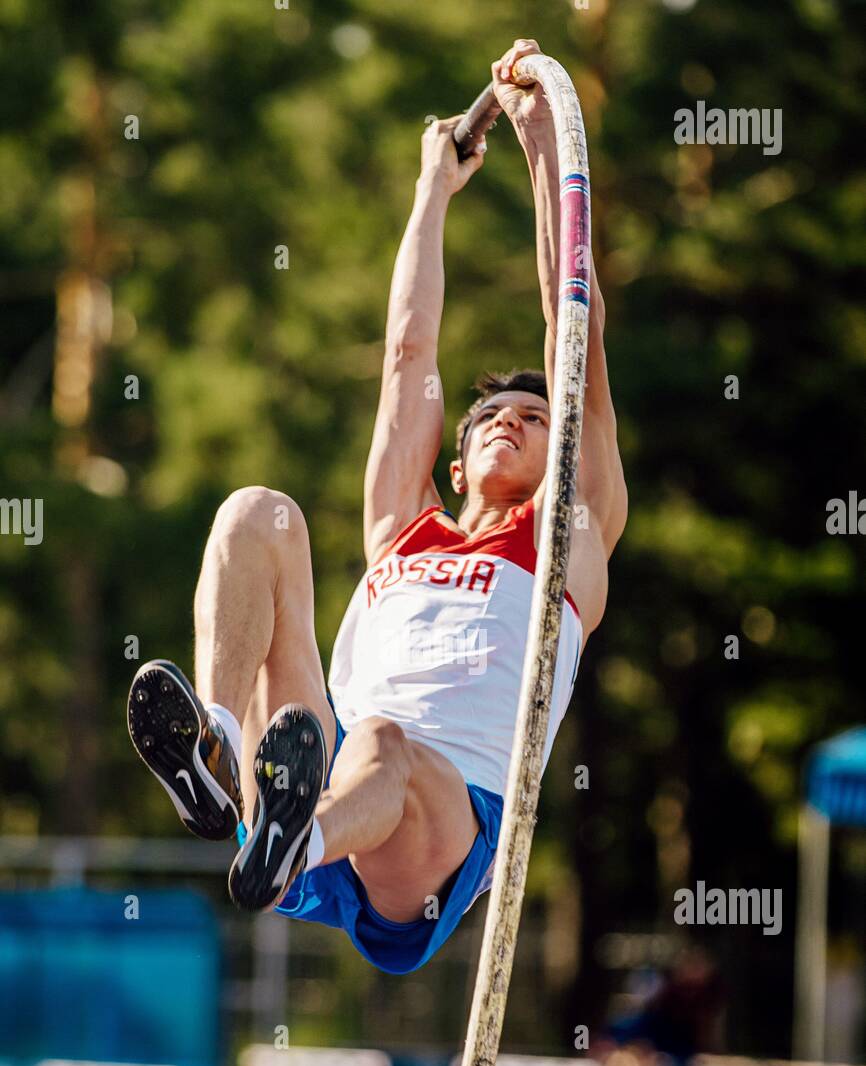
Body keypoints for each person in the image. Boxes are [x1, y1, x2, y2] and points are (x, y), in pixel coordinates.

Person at [127, 39, 627, 974]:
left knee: (386, 744)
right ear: (459, 452)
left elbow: (574, 324)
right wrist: (431, 191)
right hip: (319, 766)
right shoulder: (404, 526)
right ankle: (220, 758)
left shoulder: (570, 533)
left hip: (437, 828)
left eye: (533, 416)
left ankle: (287, 844)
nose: (508, 425)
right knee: (255, 513)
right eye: (492, 416)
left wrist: (539, 144)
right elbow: (407, 352)